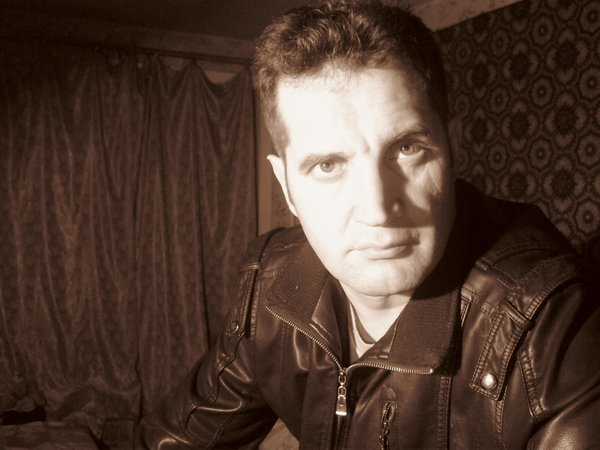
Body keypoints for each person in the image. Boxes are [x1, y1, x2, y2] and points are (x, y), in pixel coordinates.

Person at [140, 1, 600, 448]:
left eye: (407, 149)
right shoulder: (270, 284)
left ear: (451, 148)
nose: (378, 210)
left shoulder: (547, 327)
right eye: (328, 166)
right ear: (286, 187)